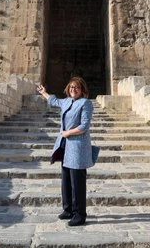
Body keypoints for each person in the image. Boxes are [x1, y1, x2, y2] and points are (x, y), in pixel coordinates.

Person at [36, 77, 94, 226]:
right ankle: (68, 209)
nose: (73, 89)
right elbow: (54, 101)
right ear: (68, 88)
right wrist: (44, 93)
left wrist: (68, 133)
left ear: (82, 90)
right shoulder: (67, 101)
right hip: (65, 145)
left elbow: (84, 125)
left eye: (77, 87)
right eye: (71, 87)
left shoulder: (85, 103)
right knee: (66, 178)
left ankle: (79, 214)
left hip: (77, 146)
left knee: (77, 181)